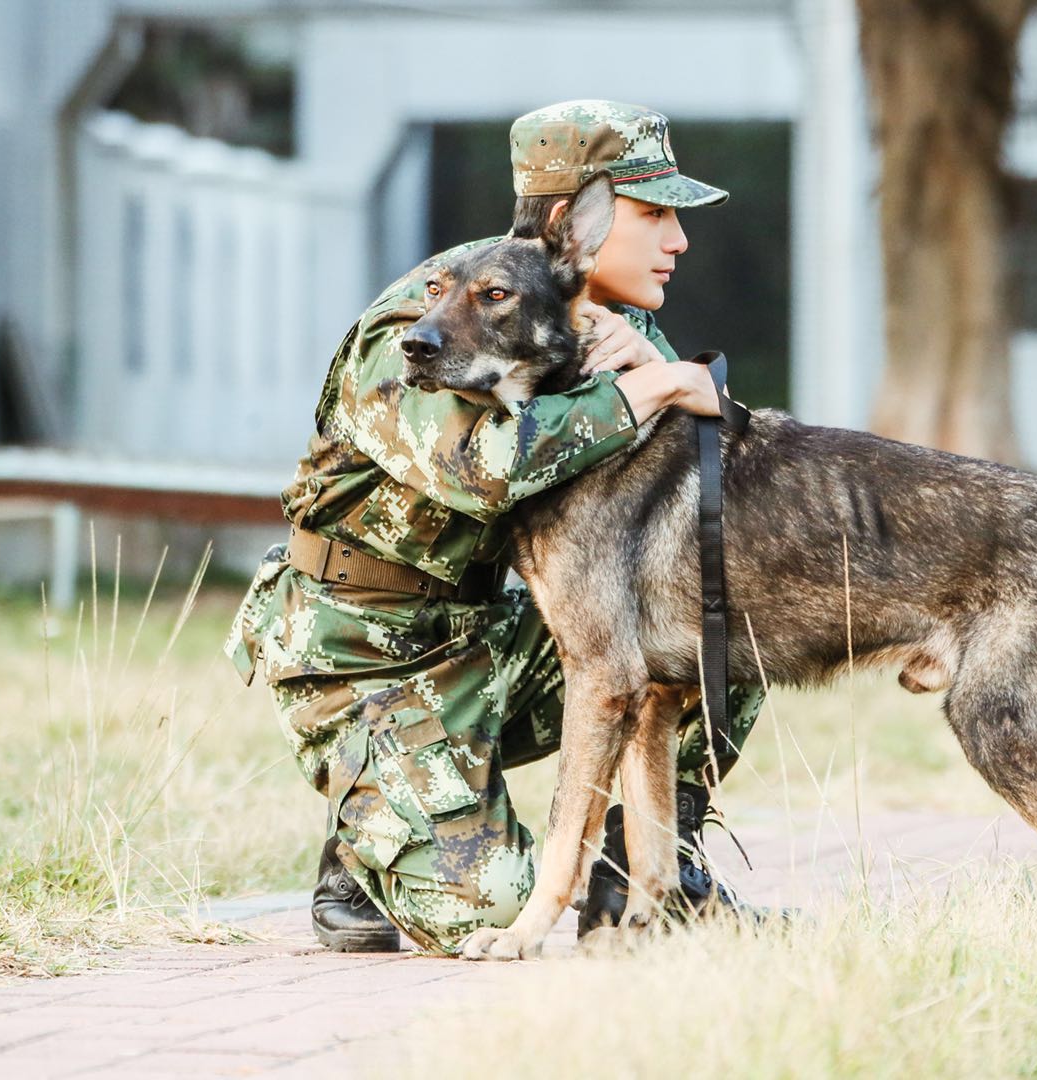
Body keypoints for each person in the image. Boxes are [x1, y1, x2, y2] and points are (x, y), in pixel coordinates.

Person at [224, 100, 769, 954]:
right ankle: (367, 826)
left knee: (722, 634)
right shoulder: (428, 323)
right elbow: (477, 473)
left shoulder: (595, 320)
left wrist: (668, 370)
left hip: (488, 636)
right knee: (486, 908)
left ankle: (644, 880)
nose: (679, 241)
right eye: (653, 213)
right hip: (364, 649)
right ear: (574, 225)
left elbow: (723, 466)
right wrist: (644, 390)